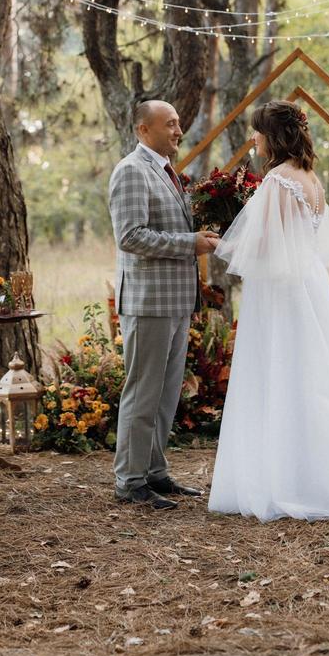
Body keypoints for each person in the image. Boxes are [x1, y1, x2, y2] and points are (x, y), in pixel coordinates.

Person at [208, 100, 329, 522]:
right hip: (308, 284)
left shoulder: (276, 180)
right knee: (312, 372)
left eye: (257, 132)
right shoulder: (311, 179)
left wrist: (223, 243)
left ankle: (286, 480)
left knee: (278, 371)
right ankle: (321, 471)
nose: (253, 139)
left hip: (279, 291)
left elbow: (266, 247)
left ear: (272, 137)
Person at [108, 100, 218, 509]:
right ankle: (129, 481)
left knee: (166, 394)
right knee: (142, 393)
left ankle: (154, 472)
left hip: (175, 301)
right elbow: (131, 235)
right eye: (169, 124)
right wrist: (190, 243)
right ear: (143, 129)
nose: (177, 130)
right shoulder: (132, 171)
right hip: (148, 301)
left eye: (178, 122)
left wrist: (199, 234)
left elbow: (169, 228)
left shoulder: (170, 172)